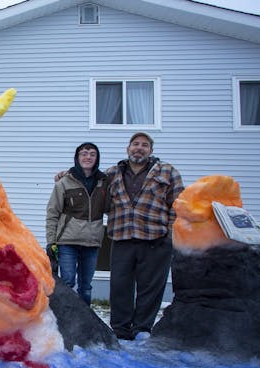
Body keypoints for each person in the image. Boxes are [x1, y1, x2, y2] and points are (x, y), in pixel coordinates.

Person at [105, 132, 184, 340]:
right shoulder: (111, 173)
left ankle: (142, 328)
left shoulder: (167, 171)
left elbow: (178, 204)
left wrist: (170, 234)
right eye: (135, 144)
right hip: (122, 236)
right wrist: (64, 176)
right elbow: (88, 184)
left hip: (155, 238)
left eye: (145, 145)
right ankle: (120, 330)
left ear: (151, 151)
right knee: (120, 286)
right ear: (127, 148)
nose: (139, 148)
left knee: (150, 287)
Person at [45, 142, 107, 305]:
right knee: (67, 283)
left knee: (86, 287)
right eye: (84, 153)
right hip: (67, 242)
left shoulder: (104, 183)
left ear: (97, 158)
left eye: (92, 154)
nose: (88, 157)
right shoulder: (64, 182)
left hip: (92, 242)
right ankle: (65, 322)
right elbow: (52, 213)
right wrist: (51, 241)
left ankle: (85, 324)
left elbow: (110, 207)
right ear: (77, 157)